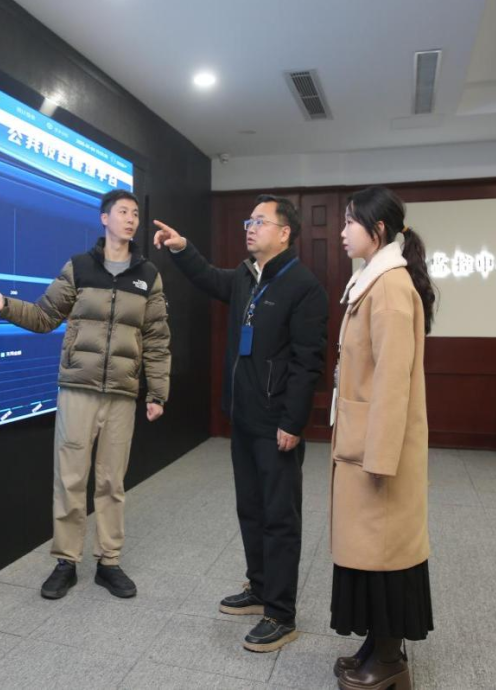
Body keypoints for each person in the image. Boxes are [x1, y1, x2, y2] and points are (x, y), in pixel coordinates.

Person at [153, 195, 327, 652]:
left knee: (280, 518)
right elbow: (209, 277)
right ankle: (260, 587)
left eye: (260, 221)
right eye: (248, 221)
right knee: (250, 508)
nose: (250, 227)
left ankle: (281, 614)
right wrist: (182, 247)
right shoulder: (247, 277)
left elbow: (309, 362)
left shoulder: (303, 286)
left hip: (277, 424)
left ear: (284, 233)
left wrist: (293, 421)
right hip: (244, 418)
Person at [0, 189, 170, 601]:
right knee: (70, 478)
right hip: (77, 390)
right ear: (104, 218)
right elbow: (45, 316)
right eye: (123, 211)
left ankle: (109, 562)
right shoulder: (80, 267)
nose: (131, 219)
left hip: (121, 392)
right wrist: (4, 306)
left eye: (135, 213)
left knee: (112, 481)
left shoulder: (148, 275)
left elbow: (157, 338)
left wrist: (157, 392)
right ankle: (66, 561)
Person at [330, 185, 435, 690]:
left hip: (379, 449)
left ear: (377, 230)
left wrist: (380, 459)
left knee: (386, 553)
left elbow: (393, 384)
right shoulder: (373, 279)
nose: (341, 232)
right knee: (369, 553)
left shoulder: (389, 287)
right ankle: (376, 645)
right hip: (364, 440)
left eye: (350, 222)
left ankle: (391, 660)